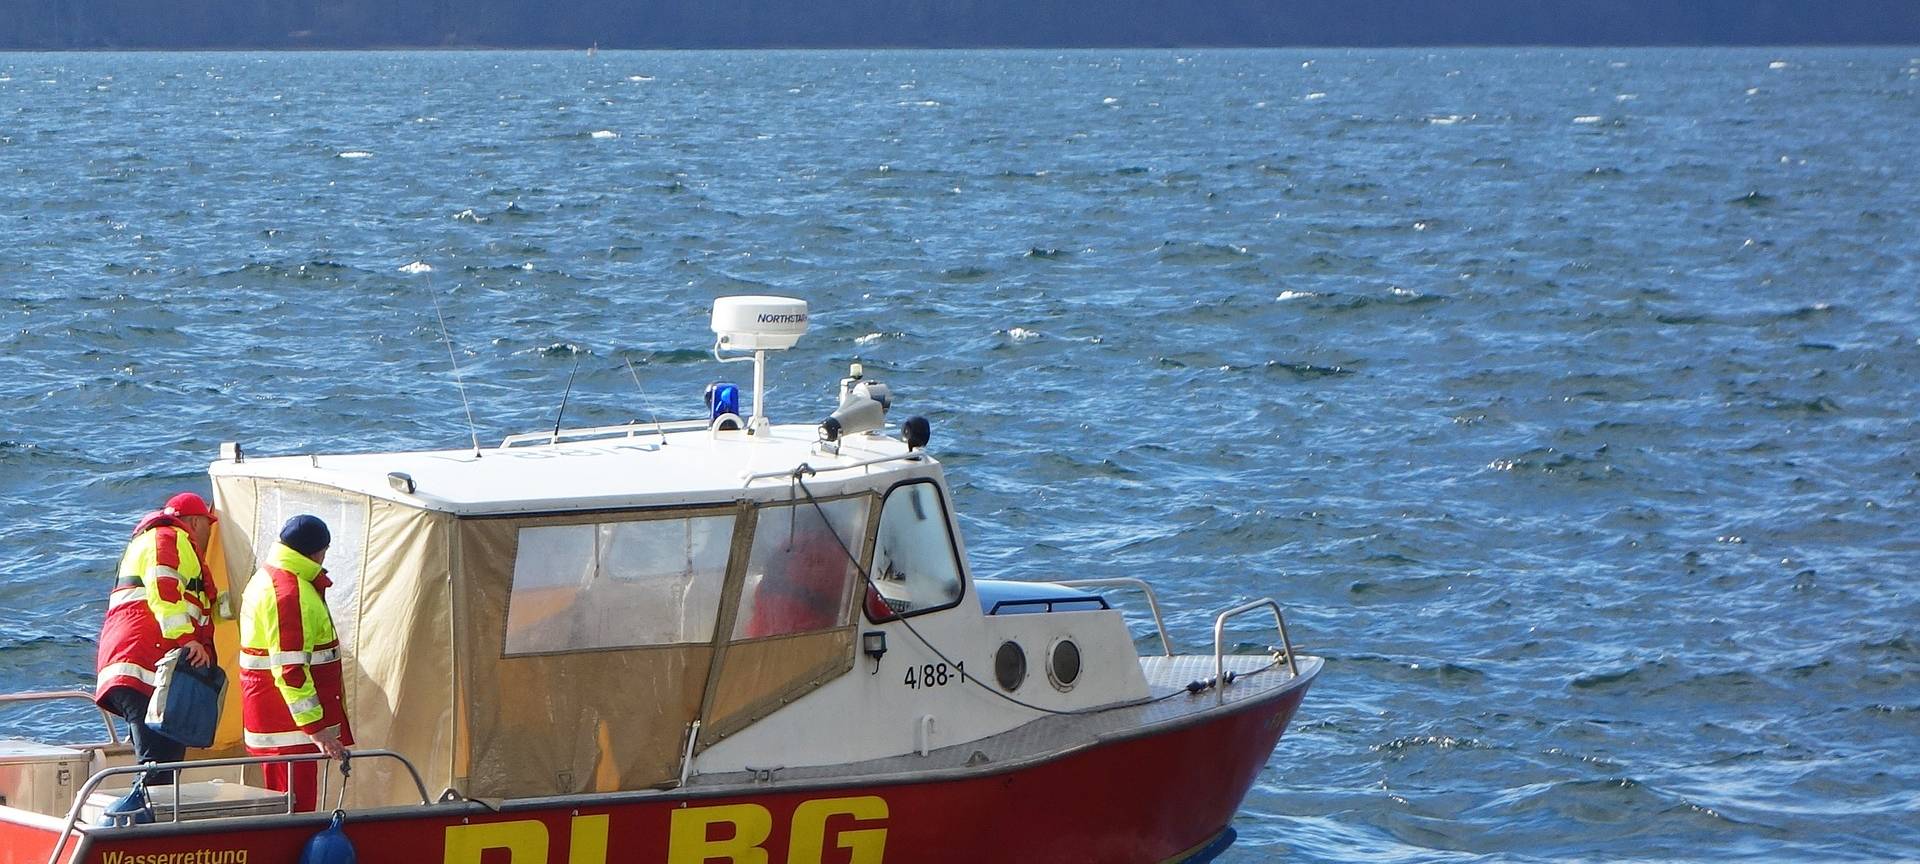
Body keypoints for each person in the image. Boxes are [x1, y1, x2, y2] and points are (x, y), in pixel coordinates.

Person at [94, 492, 221, 785]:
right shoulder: (169, 537)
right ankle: (142, 824)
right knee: (156, 763)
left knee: (163, 761)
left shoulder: (153, 540)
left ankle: (150, 821)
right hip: (143, 664)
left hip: (139, 664)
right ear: (194, 522)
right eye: (208, 526)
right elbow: (164, 590)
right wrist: (188, 640)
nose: (209, 535)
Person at [238, 515, 352, 812]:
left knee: (284, 808)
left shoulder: (269, 577)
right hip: (289, 732)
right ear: (318, 552)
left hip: (277, 726)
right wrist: (316, 729)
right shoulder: (289, 593)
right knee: (295, 813)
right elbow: (291, 671)